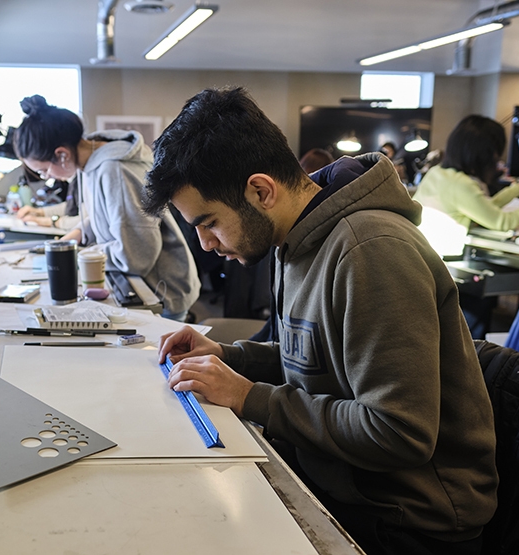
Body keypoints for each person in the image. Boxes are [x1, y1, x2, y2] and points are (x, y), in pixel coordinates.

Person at [143, 87, 498, 555]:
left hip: (407, 518)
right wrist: (229, 356)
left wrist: (249, 397)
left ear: (261, 190)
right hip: (345, 481)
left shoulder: (371, 250)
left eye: (209, 222)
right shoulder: (296, 240)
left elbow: (398, 433)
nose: (206, 244)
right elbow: (316, 357)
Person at [13, 95, 200, 321]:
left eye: (44, 170)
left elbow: (137, 256)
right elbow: (106, 215)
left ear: (62, 154)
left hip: (162, 293)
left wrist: (83, 254)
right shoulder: (89, 163)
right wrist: (75, 235)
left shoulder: (115, 170)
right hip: (141, 285)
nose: (48, 177)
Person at [413, 114, 519, 235]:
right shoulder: (461, 185)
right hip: (442, 259)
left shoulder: (438, 172)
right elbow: (504, 222)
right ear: (483, 153)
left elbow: (484, 208)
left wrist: (518, 188)